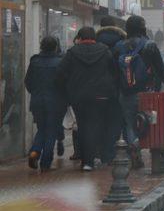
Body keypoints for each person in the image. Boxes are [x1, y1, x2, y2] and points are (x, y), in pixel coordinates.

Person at [56, 27, 118, 171]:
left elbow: (60, 73)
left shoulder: (72, 53)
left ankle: (87, 161)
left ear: (80, 37)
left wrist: (67, 89)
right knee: (97, 125)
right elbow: (114, 72)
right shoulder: (105, 51)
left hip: (79, 96)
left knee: (83, 127)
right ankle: (98, 157)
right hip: (101, 96)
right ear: (94, 37)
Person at [114, 16, 164, 168]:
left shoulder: (119, 46)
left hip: (126, 93)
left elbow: (114, 70)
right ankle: (150, 154)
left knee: (130, 124)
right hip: (148, 93)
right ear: (143, 28)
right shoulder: (150, 45)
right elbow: (160, 68)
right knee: (151, 123)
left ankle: (133, 145)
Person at [25, 36, 64, 171]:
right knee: (51, 131)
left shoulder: (34, 61)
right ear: (55, 47)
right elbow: (63, 84)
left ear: (41, 46)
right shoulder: (60, 62)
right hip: (55, 102)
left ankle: (34, 152)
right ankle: (46, 163)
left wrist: (35, 93)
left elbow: (28, 82)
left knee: (42, 129)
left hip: (37, 102)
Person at [96, 16, 127, 164]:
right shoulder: (122, 43)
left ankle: (99, 153)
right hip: (116, 89)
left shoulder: (94, 41)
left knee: (97, 121)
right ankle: (109, 153)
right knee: (114, 122)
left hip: (96, 89)